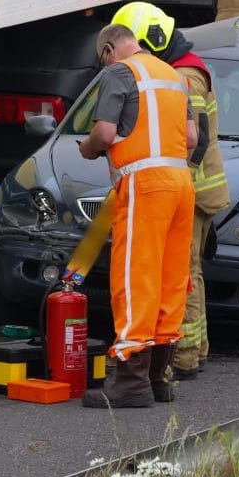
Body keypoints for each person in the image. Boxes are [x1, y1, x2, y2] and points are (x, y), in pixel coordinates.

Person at [63, 22, 196, 407]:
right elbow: (190, 139)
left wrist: (88, 150)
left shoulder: (119, 72)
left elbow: (104, 134)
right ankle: (157, 377)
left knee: (135, 275)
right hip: (181, 184)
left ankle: (131, 382)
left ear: (108, 50)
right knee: (170, 277)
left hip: (145, 185)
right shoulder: (173, 74)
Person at [109, 1, 226, 381]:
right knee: (184, 273)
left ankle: (185, 356)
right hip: (186, 189)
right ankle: (193, 350)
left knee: (181, 275)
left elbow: (195, 138)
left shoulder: (184, 76)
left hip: (185, 191)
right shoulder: (179, 71)